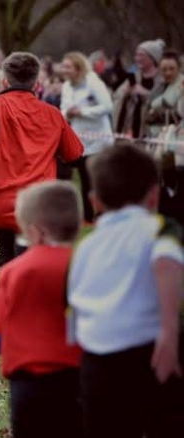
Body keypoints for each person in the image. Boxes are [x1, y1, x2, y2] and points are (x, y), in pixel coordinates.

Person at [68, 145, 184, 437]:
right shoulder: (159, 227)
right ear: (154, 195)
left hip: (97, 359)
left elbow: (72, 307)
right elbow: (167, 260)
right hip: (151, 350)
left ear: (94, 201)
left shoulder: (86, 245)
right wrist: (170, 334)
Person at [0, 52, 84, 271]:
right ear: (37, 84)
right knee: (34, 260)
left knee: (6, 259)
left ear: (5, 81)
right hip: (39, 204)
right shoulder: (53, 114)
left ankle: (7, 298)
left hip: (1, 201)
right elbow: (74, 154)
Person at [0, 181, 83, 438]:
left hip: (28, 382)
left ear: (36, 232)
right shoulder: (87, 265)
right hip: (80, 377)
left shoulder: (14, 272)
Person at [60, 51, 114, 223]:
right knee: (84, 177)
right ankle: (88, 216)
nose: (64, 70)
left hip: (99, 139)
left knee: (96, 178)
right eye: (64, 66)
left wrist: (83, 112)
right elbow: (63, 109)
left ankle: (104, 214)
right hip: (80, 139)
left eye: (68, 67)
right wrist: (67, 113)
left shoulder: (93, 82)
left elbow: (107, 106)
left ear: (78, 68)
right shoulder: (66, 86)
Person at [113, 39, 165, 138]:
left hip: (152, 133)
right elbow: (116, 97)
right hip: (129, 131)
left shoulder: (161, 81)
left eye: (141, 55)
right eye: (136, 55)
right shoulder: (133, 78)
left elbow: (164, 104)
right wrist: (126, 93)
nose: (137, 58)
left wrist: (146, 94)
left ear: (153, 58)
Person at [146, 50, 184, 137]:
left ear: (179, 68)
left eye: (172, 69)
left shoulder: (182, 85)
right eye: (164, 69)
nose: (168, 73)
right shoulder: (158, 88)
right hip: (157, 135)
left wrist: (158, 115)